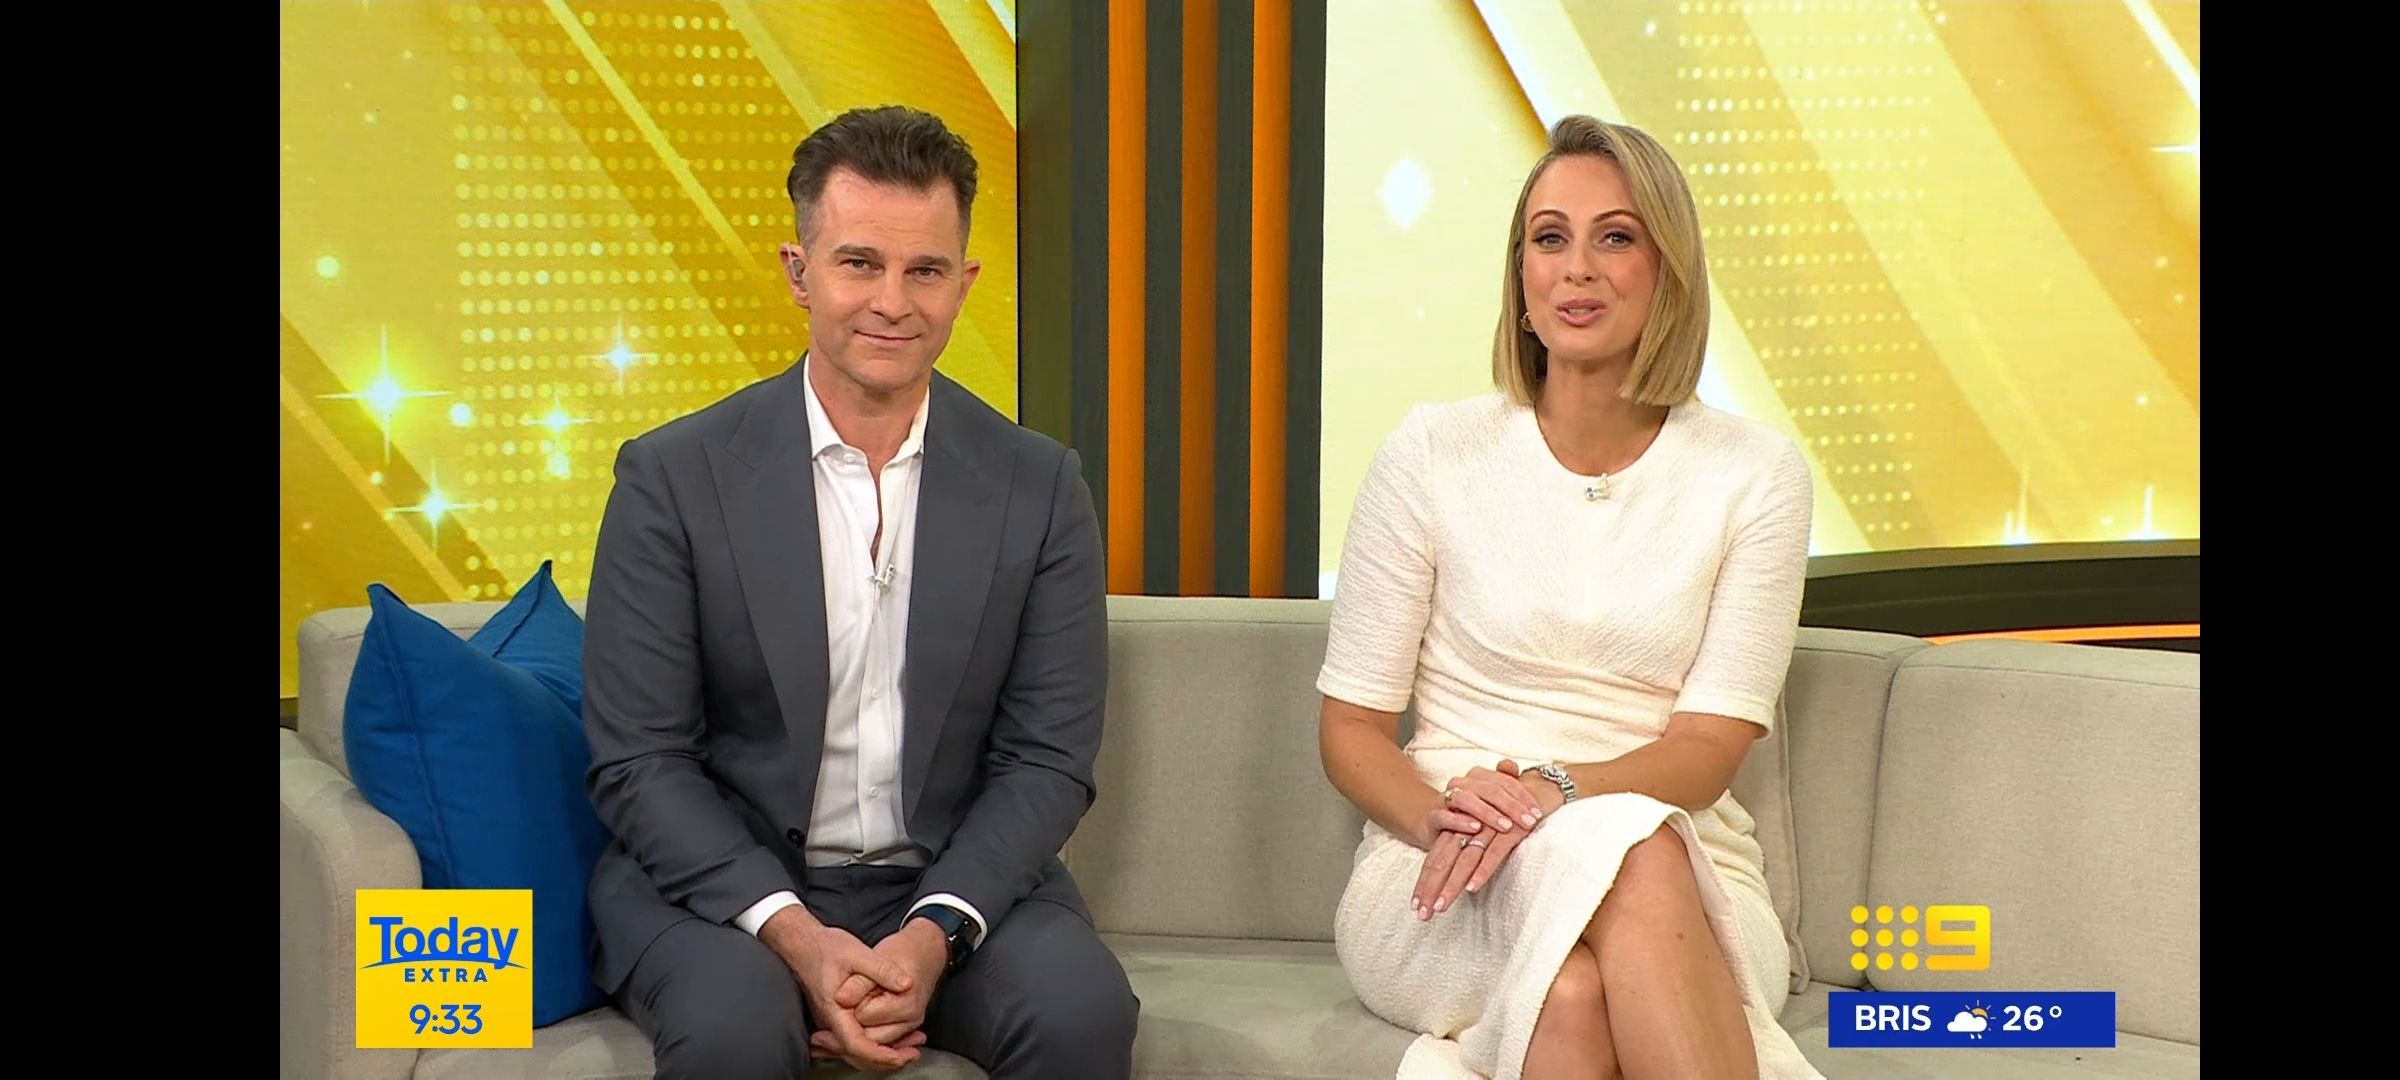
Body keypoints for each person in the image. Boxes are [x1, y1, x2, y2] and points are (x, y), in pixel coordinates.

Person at [580, 104, 1138, 1079]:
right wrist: (796, 935)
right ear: (799, 272)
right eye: (859, 263)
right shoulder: (673, 477)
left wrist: (930, 936)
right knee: (732, 1032)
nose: (893, 302)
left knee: (1080, 1013)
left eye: (925, 271)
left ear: (964, 284)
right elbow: (640, 759)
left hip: (949, 884)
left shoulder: (1040, 486)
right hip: (729, 889)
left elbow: (1047, 760)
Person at [1316, 115, 1825, 1079]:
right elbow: (1350, 730)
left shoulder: (1755, 474)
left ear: (1668, 270)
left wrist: (1554, 792)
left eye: (1615, 237)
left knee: (1599, 935)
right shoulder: (1432, 452)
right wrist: (1446, 821)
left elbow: (1705, 751)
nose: (1577, 268)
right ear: (1521, 277)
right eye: (1550, 239)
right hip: (1447, 863)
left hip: (1686, 864)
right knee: (1590, 936)